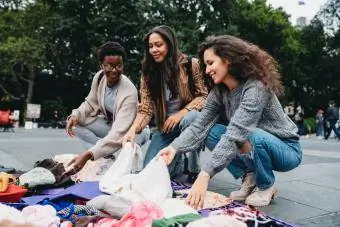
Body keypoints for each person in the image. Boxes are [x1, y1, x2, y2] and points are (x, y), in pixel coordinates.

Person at [158, 35, 303, 208]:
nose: (206, 70)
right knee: (211, 132)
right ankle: (249, 176)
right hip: (252, 140)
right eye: (205, 65)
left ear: (227, 60)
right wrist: (174, 148)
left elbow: (236, 133)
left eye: (210, 63)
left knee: (247, 133)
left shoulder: (256, 86)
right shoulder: (219, 92)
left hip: (286, 150)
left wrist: (205, 175)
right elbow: (199, 126)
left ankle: (266, 185)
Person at [123, 25, 208, 181]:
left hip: (187, 121)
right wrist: (132, 131)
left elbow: (203, 96)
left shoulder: (191, 64)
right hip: (166, 129)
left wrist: (180, 114)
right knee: (150, 173)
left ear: (170, 44)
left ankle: (194, 166)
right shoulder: (148, 72)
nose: (154, 50)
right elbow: (146, 108)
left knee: (192, 118)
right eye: (150, 46)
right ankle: (179, 161)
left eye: (158, 45)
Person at [64, 41, 147, 175]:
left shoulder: (129, 91)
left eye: (118, 66)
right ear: (101, 65)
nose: (114, 70)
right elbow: (90, 103)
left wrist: (87, 155)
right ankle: (105, 156)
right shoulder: (99, 77)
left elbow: (118, 132)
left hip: (134, 132)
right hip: (112, 125)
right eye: (109, 65)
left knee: (124, 170)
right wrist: (76, 115)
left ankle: (100, 153)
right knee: (76, 124)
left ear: (123, 65)